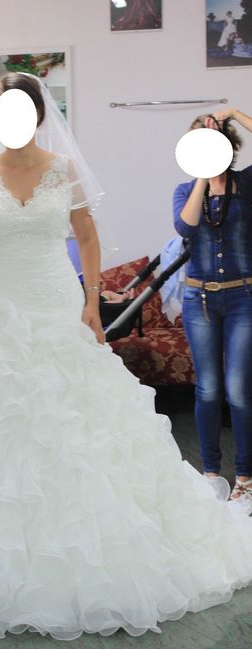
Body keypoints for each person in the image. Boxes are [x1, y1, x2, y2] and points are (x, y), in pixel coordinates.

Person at [0, 75, 252, 640]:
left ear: (39, 115)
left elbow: (86, 237)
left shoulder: (63, 168)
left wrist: (91, 300)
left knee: (75, 418)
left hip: (56, 300)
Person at [173, 109, 252, 502]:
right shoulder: (185, 190)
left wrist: (234, 113)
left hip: (243, 299)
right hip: (199, 299)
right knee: (207, 390)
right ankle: (209, 472)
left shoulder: (246, 183)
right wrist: (203, 175)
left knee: (238, 390)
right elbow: (185, 227)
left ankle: (245, 478)